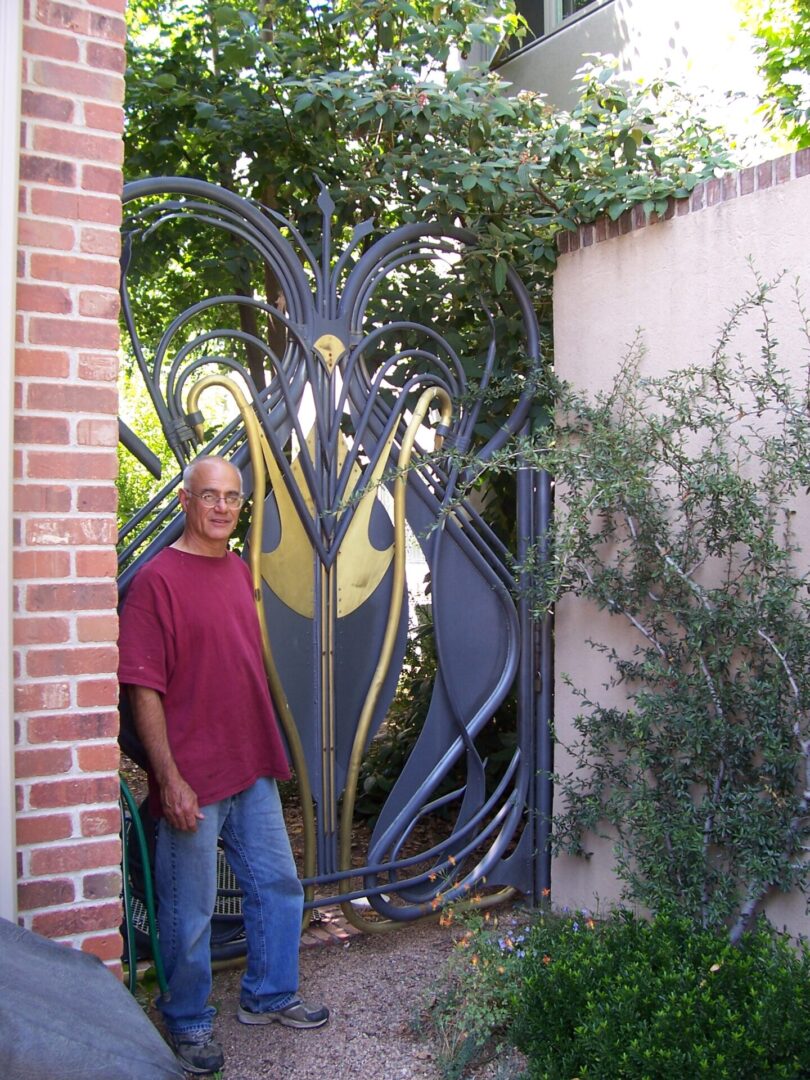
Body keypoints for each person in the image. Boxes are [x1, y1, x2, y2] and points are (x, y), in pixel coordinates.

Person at [118, 455, 328, 1076]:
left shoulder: (238, 571)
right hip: (193, 779)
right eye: (209, 496)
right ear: (186, 500)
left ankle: (268, 994)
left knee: (278, 887)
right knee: (190, 912)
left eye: (231, 497)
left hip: (249, 766)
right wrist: (168, 778)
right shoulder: (156, 582)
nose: (221, 507)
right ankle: (185, 1020)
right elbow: (142, 690)